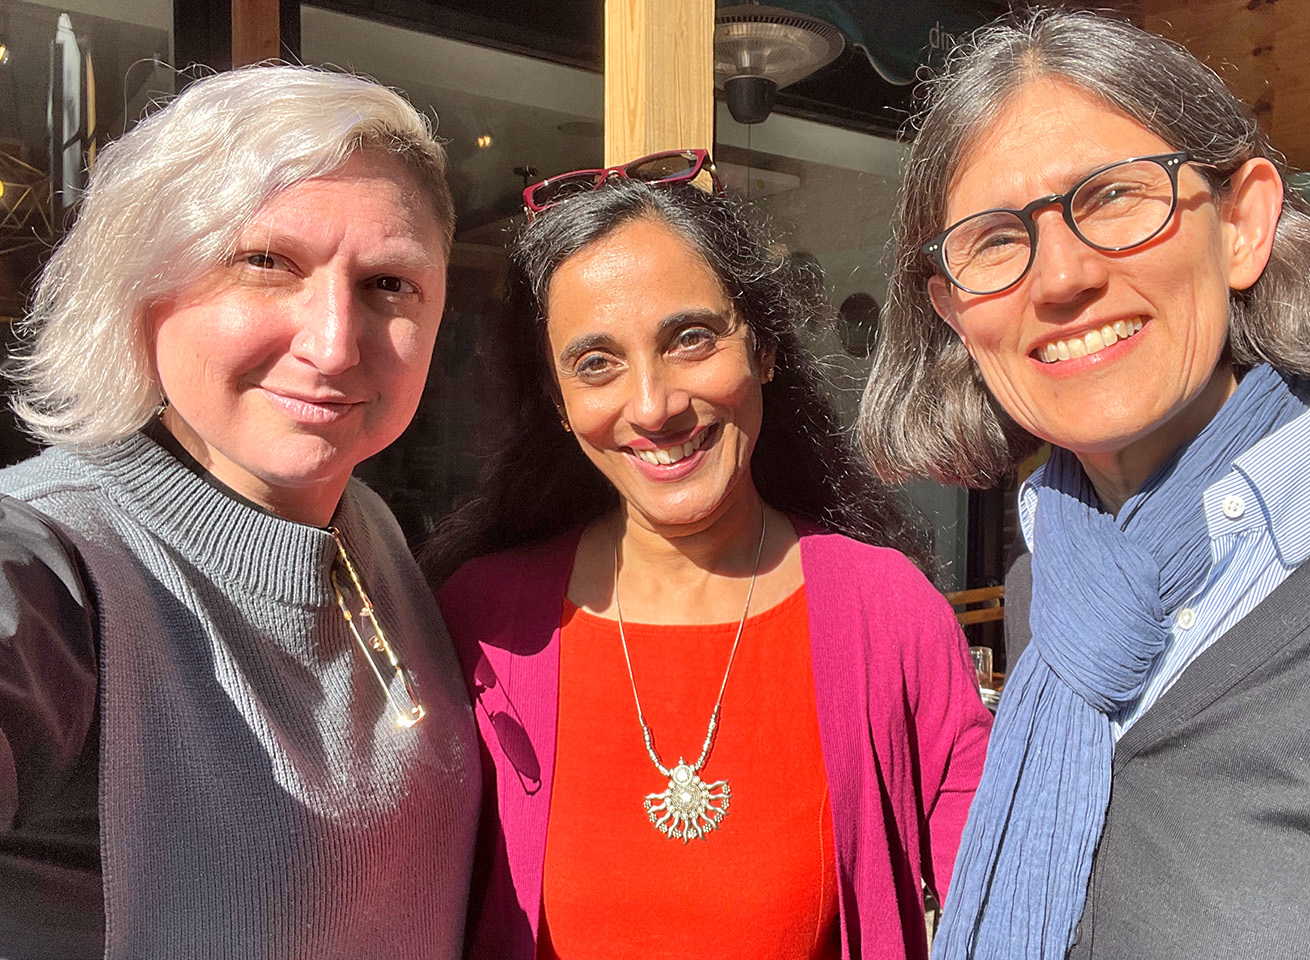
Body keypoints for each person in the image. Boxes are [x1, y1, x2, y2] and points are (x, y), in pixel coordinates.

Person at [859, 9, 1310, 959]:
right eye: (995, 240)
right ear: (956, 313)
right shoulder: (1056, 593)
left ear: (1242, 223)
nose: (1061, 278)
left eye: (1115, 196)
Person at [424, 156, 992, 960]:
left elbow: (1011, 899)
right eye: (596, 363)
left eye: (690, 339)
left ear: (763, 348)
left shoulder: (887, 616)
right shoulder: (484, 627)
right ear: (556, 402)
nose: (652, 405)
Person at [0, 65, 482, 959]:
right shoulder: (56, 563)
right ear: (144, 282)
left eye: (388, 284)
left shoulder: (368, 529)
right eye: (265, 263)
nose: (333, 344)